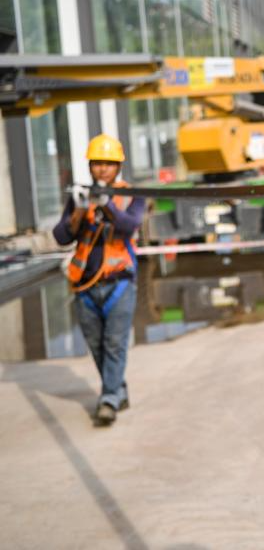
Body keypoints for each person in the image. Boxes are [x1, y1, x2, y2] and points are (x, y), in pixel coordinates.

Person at [53, 134, 145, 426]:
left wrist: (108, 206)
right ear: (90, 165)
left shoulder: (132, 194)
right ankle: (119, 390)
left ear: (118, 165)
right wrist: (78, 212)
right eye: (97, 163)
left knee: (115, 343)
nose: (103, 169)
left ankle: (108, 401)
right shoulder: (80, 195)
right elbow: (61, 237)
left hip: (119, 283)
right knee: (98, 347)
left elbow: (129, 226)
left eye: (109, 163)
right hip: (86, 286)